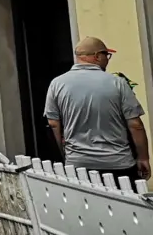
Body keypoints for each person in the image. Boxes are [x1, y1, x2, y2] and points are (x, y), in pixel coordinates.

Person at [44, 36, 150, 182]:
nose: (107, 59)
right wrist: (143, 158)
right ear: (97, 56)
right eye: (106, 55)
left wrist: (64, 157)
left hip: (78, 165)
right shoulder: (118, 83)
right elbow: (135, 125)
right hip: (119, 164)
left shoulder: (57, 84)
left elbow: (53, 124)